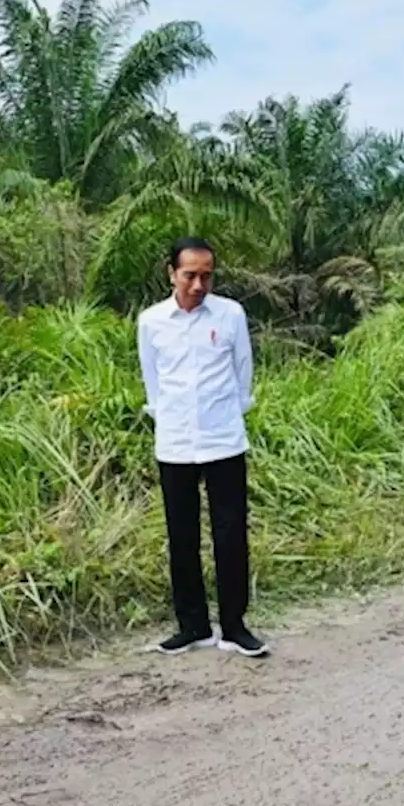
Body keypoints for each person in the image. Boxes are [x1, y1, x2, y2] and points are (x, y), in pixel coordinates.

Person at [136, 237, 269, 657]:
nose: (198, 284)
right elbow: (152, 381)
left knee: (230, 535)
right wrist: (169, 417)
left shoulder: (230, 315)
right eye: (190, 274)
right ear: (171, 273)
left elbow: (243, 373)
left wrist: (228, 413)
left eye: (206, 275)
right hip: (175, 443)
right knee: (182, 536)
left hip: (224, 438)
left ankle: (234, 627)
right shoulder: (152, 321)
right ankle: (192, 625)